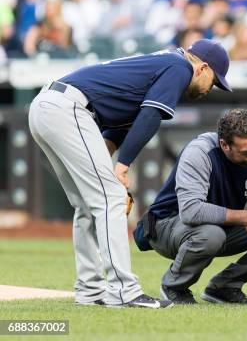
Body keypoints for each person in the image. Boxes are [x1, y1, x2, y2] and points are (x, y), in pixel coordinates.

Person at [28, 39, 232, 308]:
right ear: (202, 68)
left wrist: (110, 163)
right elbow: (150, 115)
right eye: (214, 81)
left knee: (88, 204)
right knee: (110, 196)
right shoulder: (180, 66)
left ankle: (90, 290)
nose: (210, 89)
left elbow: (122, 124)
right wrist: (121, 168)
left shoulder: (163, 63)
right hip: (69, 109)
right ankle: (124, 291)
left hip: (50, 107)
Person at [134, 109, 247, 304]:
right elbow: (191, 211)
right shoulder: (200, 152)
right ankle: (175, 287)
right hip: (167, 225)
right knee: (211, 235)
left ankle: (224, 287)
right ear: (224, 144)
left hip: (218, 225)